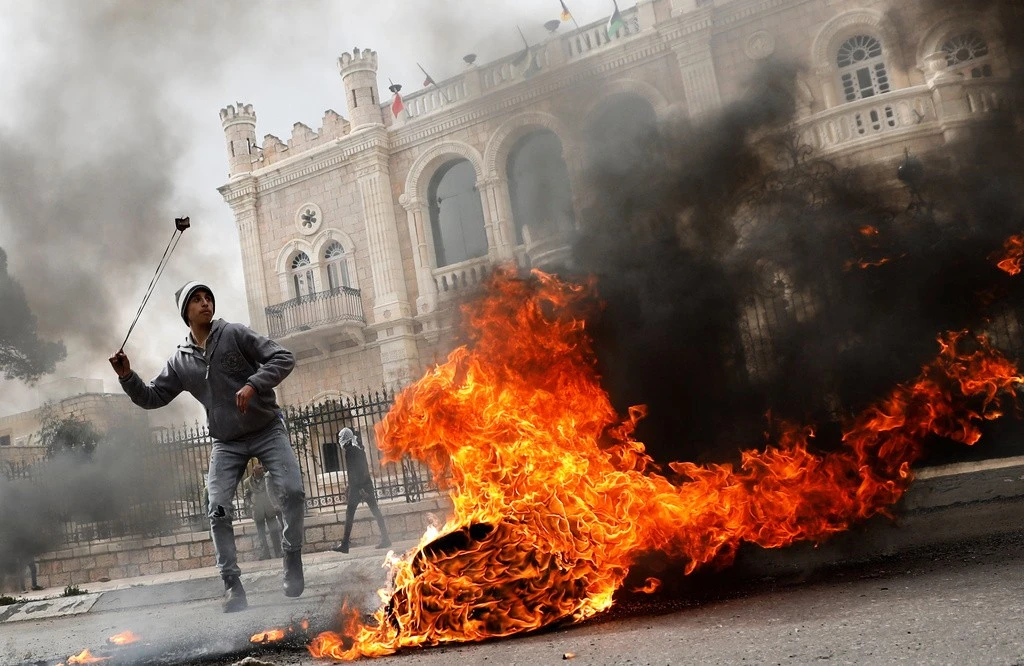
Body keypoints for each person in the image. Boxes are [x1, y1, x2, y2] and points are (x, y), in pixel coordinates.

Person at [109, 281, 305, 613]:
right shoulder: (181, 361)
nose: (205, 303)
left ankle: (291, 555)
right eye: (196, 300)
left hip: (267, 428)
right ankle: (232, 586)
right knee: (217, 509)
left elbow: (284, 358)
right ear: (185, 312)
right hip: (226, 442)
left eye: (208, 298)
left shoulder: (235, 334)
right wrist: (128, 376)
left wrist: (253, 384)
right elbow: (152, 397)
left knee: (293, 491)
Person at [331, 427, 391, 554]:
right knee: (375, 511)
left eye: (341, 438)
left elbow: (355, 472)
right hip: (365, 485)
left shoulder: (350, 451)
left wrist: (357, 489)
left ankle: (345, 544)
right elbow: (361, 470)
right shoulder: (358, 449)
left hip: (358, 487)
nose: (340, 441)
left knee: (350, 514)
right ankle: (386, 538)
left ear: (345, 439)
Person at [242, 462, 282, 560]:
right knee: (261, 534)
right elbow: (246, 497)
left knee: (274, 531)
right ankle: (265, 554)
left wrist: (276, 503)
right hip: (257, 510)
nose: (262, 469)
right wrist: (251, 505)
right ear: (254, 471)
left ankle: (278, 552)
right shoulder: (247, 482)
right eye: (260, 468)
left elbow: (274, 491)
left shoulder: (267, 478)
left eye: (262, 468)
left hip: (269, 509)